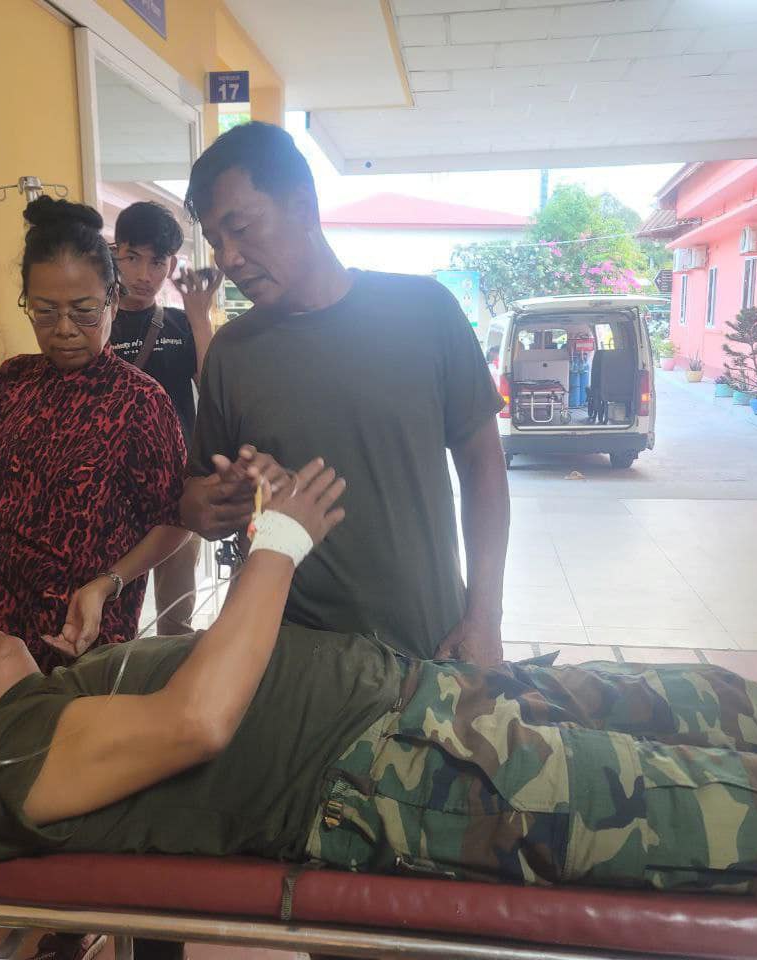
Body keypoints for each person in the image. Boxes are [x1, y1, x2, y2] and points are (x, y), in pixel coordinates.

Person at [0, 459, 757, 919]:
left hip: (426, 702)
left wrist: (226, 551)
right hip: (405, 775)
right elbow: (198, 722)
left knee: (731, 707)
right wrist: (278, 546)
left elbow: (211, 673)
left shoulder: (69, 687)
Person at [179, 122, 510, 665]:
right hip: (287, 660)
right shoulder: (231, 353)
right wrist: (214, 503)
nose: (228, 258)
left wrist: (485, 616)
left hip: (427, 646)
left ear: (303, 206)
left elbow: (483, 465)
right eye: (216, 241)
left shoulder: (424, 312)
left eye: (240, 227)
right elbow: (196, 496)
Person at [0, 197, 190, 673]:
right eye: (44, 312)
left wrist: (108, 583)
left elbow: (174, 521)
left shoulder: (141, 401)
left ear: (112, 299)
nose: (64, 329)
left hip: (83, 642)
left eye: (84, 311)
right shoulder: (12, 380)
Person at [110, 201, 219, 634]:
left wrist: (198, 316)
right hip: (113, 486)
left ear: (171, 264)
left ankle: (172, 670)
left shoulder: (178, 324)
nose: (143, 274)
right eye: (132, 257)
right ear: (114, 252)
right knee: (111, 599)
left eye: (157, 262)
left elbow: (212, 388)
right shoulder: (95, 323)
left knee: (176, 613)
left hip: (175, 484)